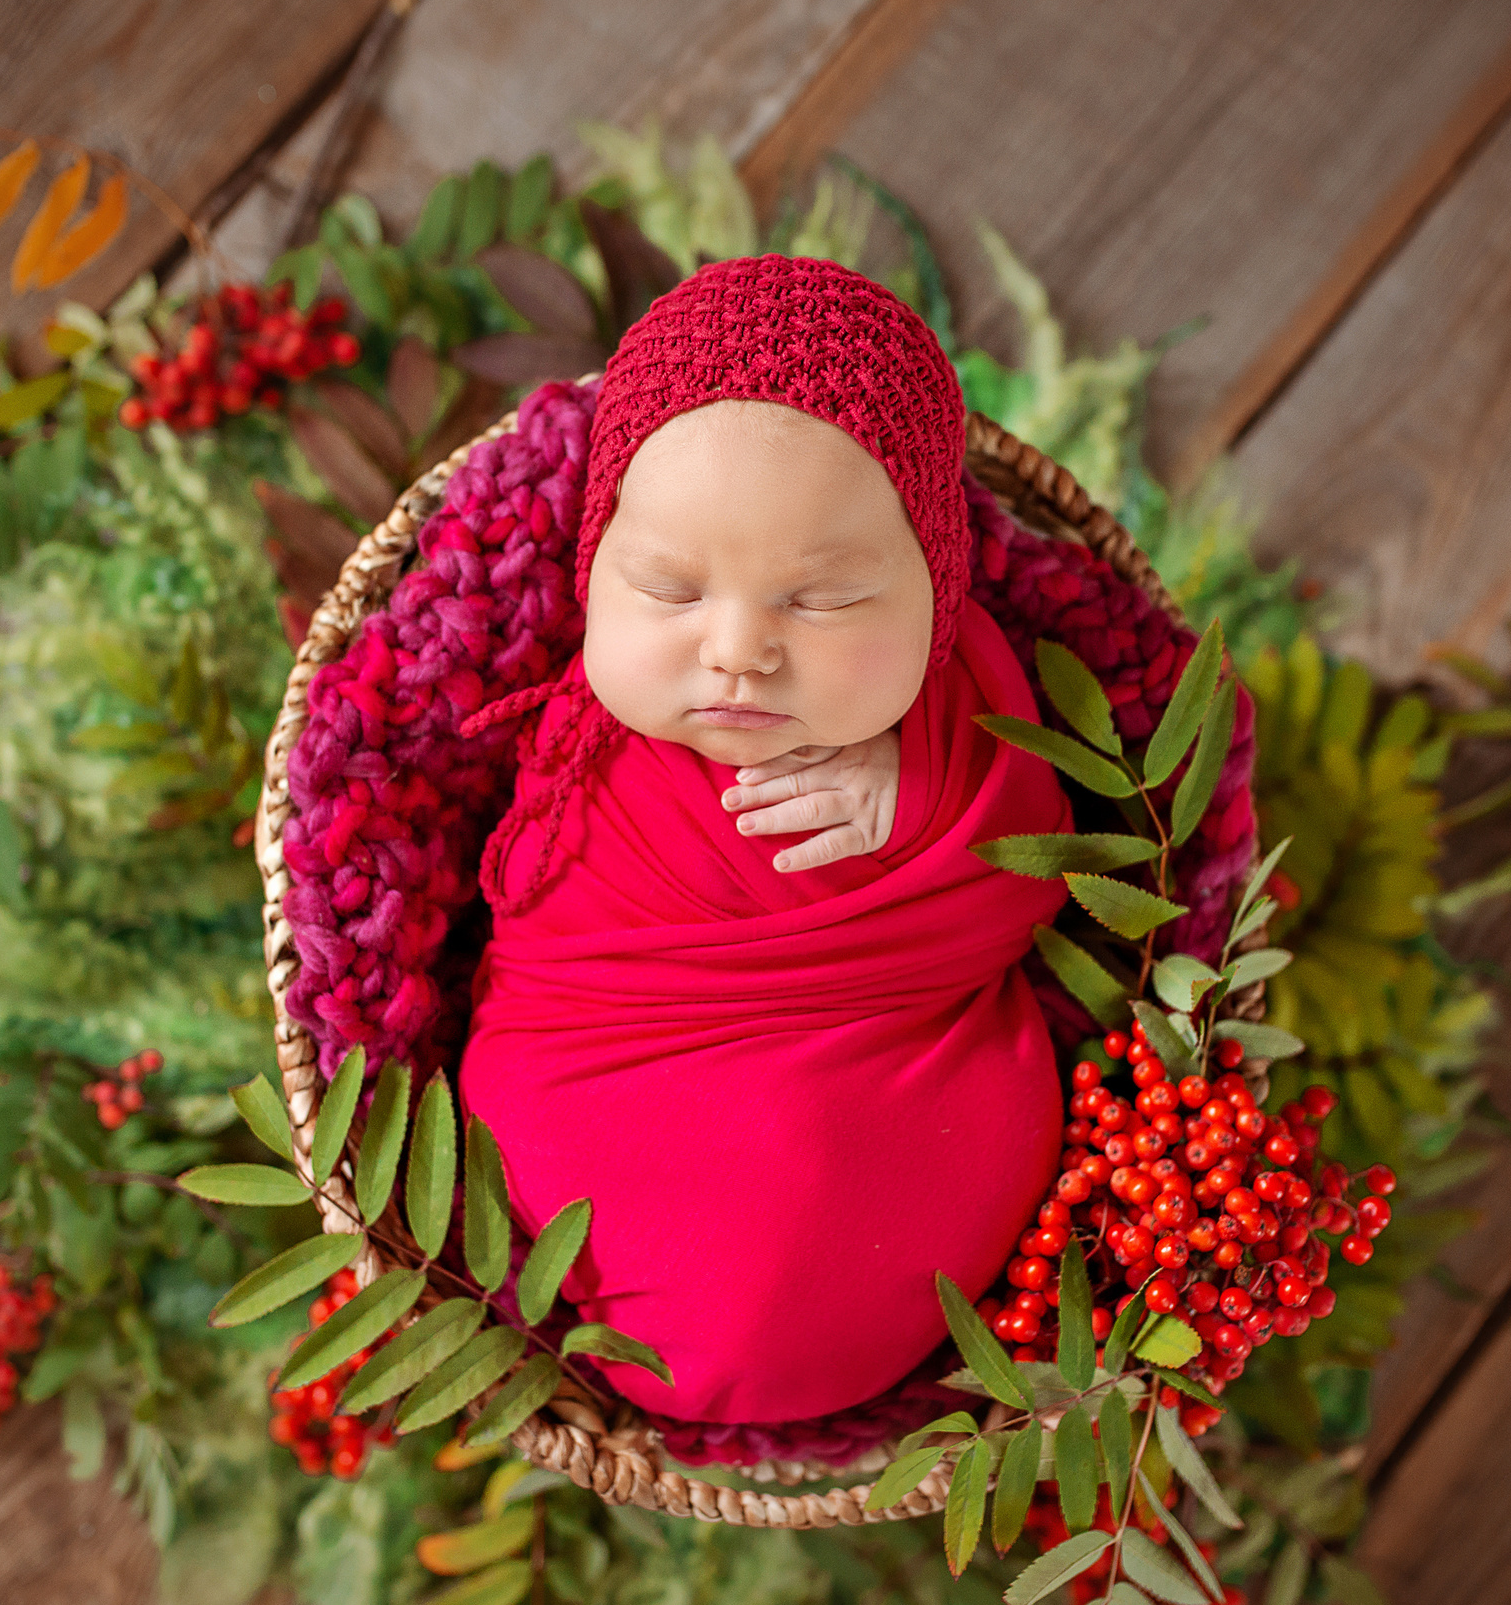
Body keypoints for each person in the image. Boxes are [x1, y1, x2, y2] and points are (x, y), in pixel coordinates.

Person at [456, 255, 1077, 1425]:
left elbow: (1039, 865)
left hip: (892, 1084)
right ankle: (634, 1308)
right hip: (610, 1065)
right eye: (667, 586)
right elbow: (534, 948)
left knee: (960, 1119)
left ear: (938, 594)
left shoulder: (963, 711)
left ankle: (838, 1319)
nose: (739, 647)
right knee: (514, 1094)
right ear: (593, 571)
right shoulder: (581, 748)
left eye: (824, 599)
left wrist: (923, 805)